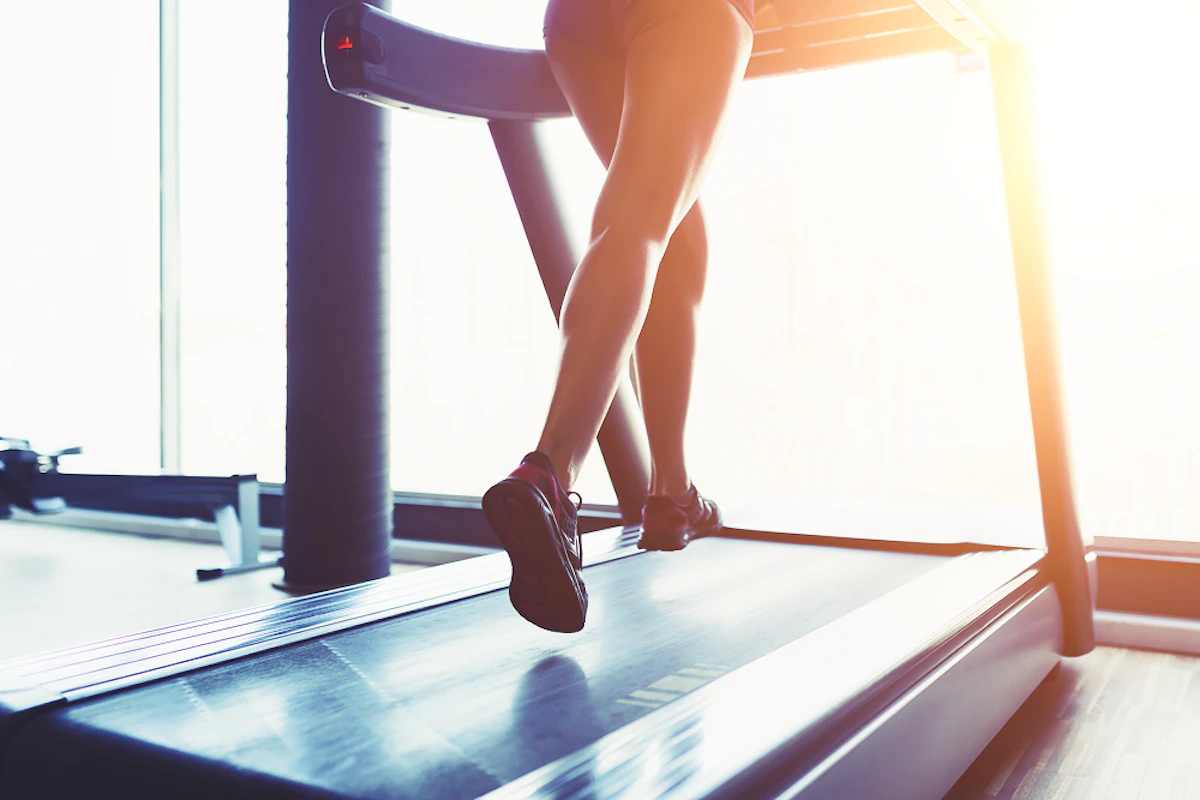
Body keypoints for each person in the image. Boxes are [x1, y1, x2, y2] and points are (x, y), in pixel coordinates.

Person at [481, 0, 756, 633]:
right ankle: (551, 471)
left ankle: (672, 494)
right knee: (639, 222)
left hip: (578, 21)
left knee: (675, 234)